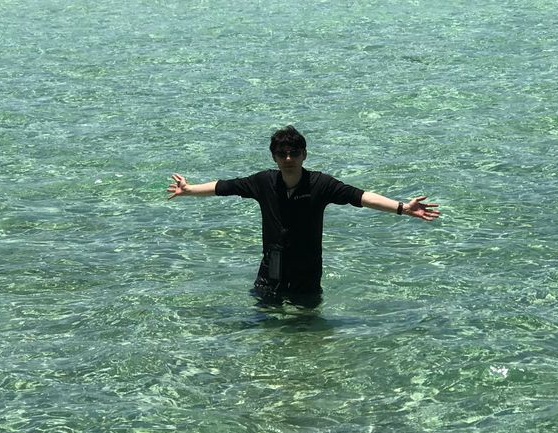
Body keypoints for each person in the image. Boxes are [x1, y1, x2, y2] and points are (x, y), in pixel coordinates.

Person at [167, 126, 440, 306]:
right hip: (271, 267)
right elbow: (224, 187)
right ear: (274, 157)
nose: (288, 158)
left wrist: (402, 207)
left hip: (307, 269)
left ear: (304, 155)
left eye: (294, 153)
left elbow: (360, 196)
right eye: (282, 153)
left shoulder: (321, 184)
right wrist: (189, 190)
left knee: (308, 326)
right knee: (267, 322)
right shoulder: (263, 182)